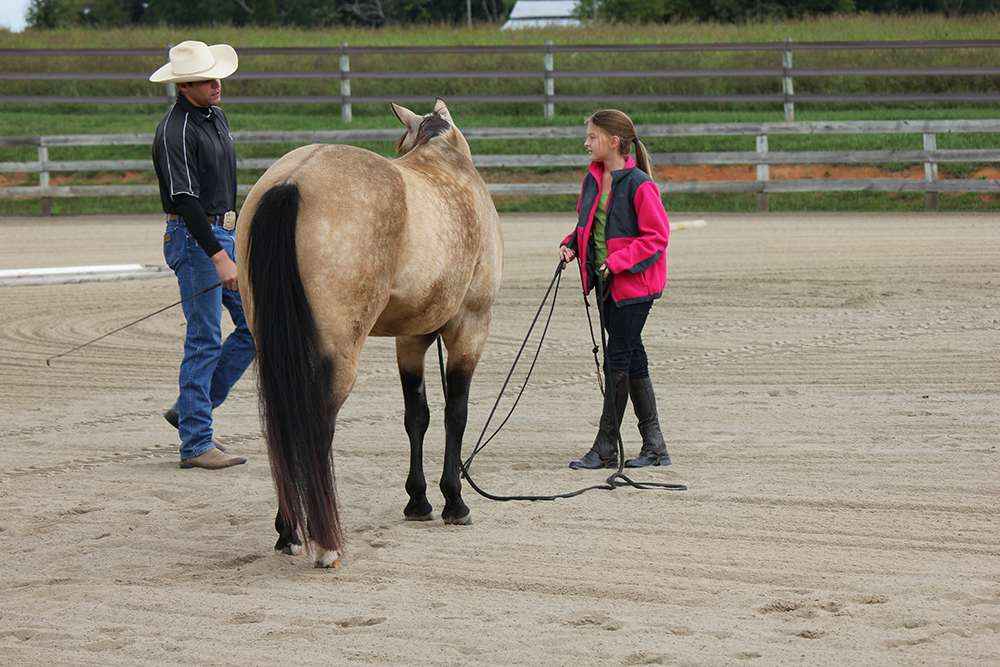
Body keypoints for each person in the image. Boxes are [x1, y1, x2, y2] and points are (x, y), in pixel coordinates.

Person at [150, 41, 255, 470]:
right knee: (205, 338)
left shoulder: (215, 117)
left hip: (221, 233)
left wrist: (230, 240)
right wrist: (218, 255)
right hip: (195, 239)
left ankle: (191, 410)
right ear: (185, 85)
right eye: (209, 80)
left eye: (218, 78)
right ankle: (195, 443)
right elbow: (185, 198)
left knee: (252, 326)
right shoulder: (175, 129)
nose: (218, 85)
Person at [559, 109, 672, 470]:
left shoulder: (640, 184)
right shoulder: (593, 179)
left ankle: (606, 447)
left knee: (617, 361)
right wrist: (571, 245)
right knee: (633, 358)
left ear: (614, 141)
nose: (586, 143)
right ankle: (655, 446)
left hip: (634, 288)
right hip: (605, 285)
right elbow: (590, 225)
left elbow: (657, 237)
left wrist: (618, 262)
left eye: (592, 136)